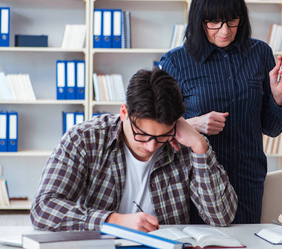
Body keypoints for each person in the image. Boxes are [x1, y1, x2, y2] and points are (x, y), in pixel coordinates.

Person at [159, 0, 282, 223]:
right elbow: (156, 132)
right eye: (214, 22)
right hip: (195, 182)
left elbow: (272, 129)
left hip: (247, 181)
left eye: (232, 21)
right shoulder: (174, 62)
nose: (224, 31)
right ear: (199, 20)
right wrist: (195, 124)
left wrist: (278, 97)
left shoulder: (260, 54)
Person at [30, 68, 237, 232]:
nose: (151, 146)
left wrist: (200, 146)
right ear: (124, 112)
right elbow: (43, 209)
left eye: (162, 136)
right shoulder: (85, 138)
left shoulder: (184, 145)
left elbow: (220, 217)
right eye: (142, 134)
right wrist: (112, 220)